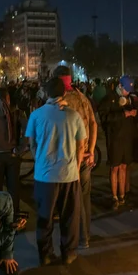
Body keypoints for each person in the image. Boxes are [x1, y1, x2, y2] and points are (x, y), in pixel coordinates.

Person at [25, 78, 85, 265]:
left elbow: (31, 144)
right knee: (69, 216)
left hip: (44, 174)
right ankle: (68, 253)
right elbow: (81, 145)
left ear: (45, 93)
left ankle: (45, 254)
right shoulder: (73, 116)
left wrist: (40, 159)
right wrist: (76, 166)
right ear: (64, 93)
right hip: (68, 174)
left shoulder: (36, 115)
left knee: (45, 216)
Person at [53, 66, 97, 250]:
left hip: (70, 158)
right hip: (86, 155)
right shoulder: (82, 97)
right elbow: (93, 123)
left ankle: (74, 239)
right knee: (84, 198)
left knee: (70, 200)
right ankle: (85, 237)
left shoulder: (60, 102)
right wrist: (92, 150)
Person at [98, 76, 138, 208]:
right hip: (114, 139)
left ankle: (122, 195)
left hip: (127, 139)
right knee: (114, 167)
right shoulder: (108, 99)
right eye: (126, 89)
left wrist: (134, 113)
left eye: (129, 90)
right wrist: (123, 115)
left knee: (124, 166)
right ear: (120, 86)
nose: (127, 92)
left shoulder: (130, 99)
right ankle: (114, 196)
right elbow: (104, 118)